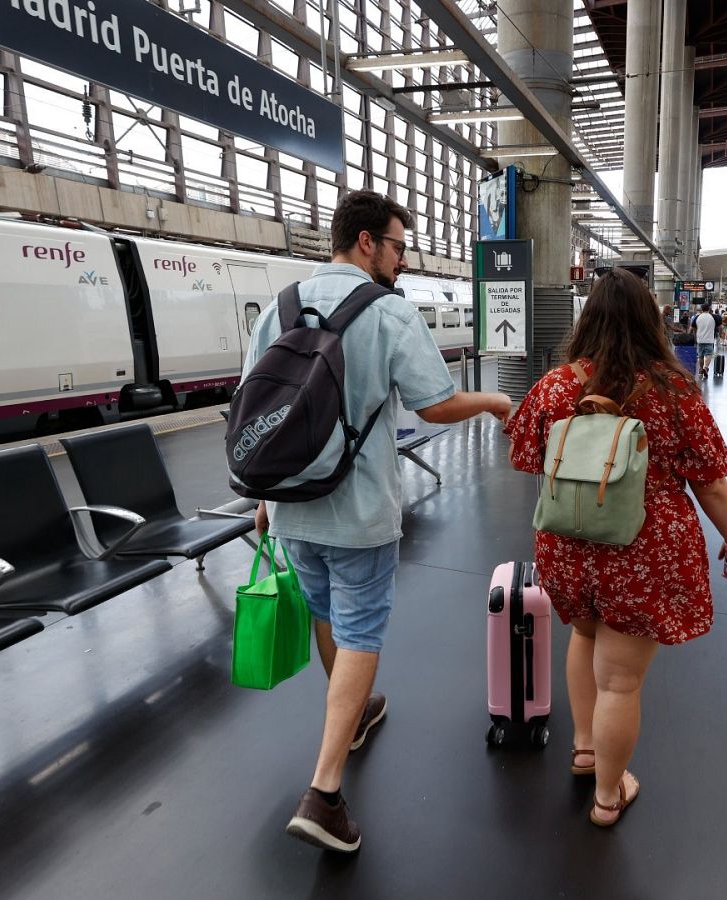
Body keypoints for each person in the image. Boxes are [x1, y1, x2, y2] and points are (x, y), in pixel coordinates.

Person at [245, 190, 512, 853]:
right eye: (397, 246)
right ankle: (324, 792)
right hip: (358, 509)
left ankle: (356, 711)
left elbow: (251, 411)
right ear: (366, 241)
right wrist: (495, 401)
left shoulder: (278, 307)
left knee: (326, 614)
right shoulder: (388, 311)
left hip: (290, 505)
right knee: (360, 629)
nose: (402, 260)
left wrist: (263, 497)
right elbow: (435, 405)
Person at [506, 268, 727, 828]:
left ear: (586, 320)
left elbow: (525, 456)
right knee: (619, 681)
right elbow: (710, 481)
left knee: (584, 635)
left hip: (567, 544)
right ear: (649, 323)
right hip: (642, 551)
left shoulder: (557, 384)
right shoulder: (672, 390)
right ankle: (608, 797)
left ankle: (585, 749)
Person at [693, 300, 716, 379]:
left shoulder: (698, 317)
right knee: (708, 354)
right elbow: (718, 326)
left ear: (701, 309)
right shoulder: (712, 317)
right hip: (709, 340)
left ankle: (700, 369)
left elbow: (693, 327)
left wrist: (695, 335)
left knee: (700, 355)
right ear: (709, 309)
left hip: (700, 339)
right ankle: (706, 368)